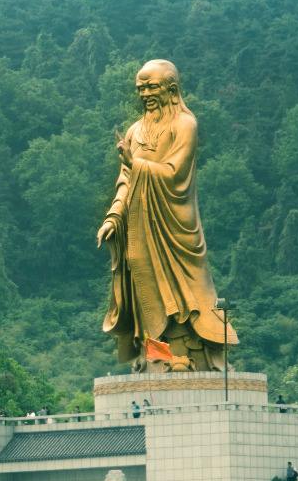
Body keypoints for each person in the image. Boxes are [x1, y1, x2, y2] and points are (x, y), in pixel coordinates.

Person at [96, 59, 237, 373]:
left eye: (152, 86)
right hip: (138, 222)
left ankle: (188, 352)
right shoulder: (134, 131)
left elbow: (175, 172)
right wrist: (114, 215)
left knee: (180, 290)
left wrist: (136, 164)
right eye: (140, 88)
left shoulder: (184, 125)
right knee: (143, 283)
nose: (145, 93)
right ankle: (155, 353)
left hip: (173, 223)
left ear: (171, 89)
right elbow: (124, 180)